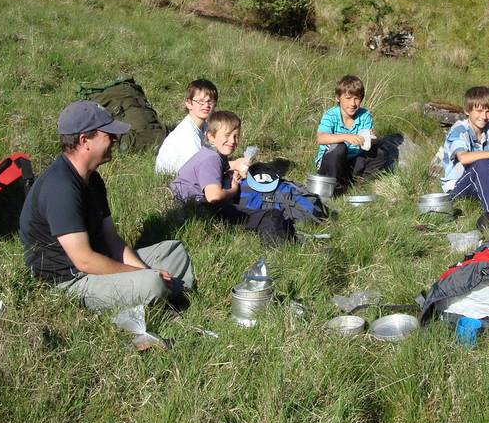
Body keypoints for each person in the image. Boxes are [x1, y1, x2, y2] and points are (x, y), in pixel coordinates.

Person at [20, 100, 195, 312]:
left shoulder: (92, 179)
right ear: (85, 140)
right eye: (108, 134)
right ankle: (158, 301)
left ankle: (161, 298)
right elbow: (84, 261)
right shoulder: (61, 187)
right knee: (151, 283)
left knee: (173, 252)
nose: (114, 139)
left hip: (100, 259)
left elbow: (112, 239)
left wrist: (144, 269)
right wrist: (142, 276)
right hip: (71, 281)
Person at [172, 110, 291, 244]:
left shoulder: (208, 153)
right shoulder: (211, 159)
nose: (232, 141)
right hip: (200, 212)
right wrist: (233, 190)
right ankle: (277, 249)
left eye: (236, 136)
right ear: (211, 137)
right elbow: (213, 197)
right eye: (227, 135)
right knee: (271, 215)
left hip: (187, 208)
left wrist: (232, 169)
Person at [440, 86, 489, 218]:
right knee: (482, 164)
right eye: (479, 111)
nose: (484, 117)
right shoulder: (459, 129)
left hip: (487, 182)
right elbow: (463, 158)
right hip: (459, 187)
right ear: (467, 111)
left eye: (488, 112)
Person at [314, 75, 390, 187]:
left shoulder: (364, 115)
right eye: (348, 98)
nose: (353, 104)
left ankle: (356, 181)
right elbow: (321, 138)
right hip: (330, 163)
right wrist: (346, 136)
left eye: (357, 98)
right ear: (338, 98)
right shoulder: (331, 115)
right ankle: (333, 185)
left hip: (352, 161)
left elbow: (370, 142)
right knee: (340, 147)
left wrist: (373, 137)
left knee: (380, 153)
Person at [154, 78, 218, 175]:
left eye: (210, 101)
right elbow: (199, 169)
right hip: (174, 181)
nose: (206, 105)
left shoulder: (204, 126)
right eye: (201, 101)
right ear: (188, 103)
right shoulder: (188, 134)